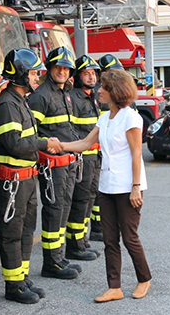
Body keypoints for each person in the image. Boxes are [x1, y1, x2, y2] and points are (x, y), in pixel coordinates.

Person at [61, 69, 152, 303]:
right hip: (107, 186)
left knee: (129, 237)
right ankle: (115, 287)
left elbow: (136, 154)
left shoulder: (131, 117)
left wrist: (135, 187)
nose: (99, 90)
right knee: (110, 240)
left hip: (128, 186)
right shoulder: (104, 118)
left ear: (116, 91)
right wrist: (57, 145)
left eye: (104, 87)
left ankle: (144, 279)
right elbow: (84, 144)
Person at [0, 48, 61, 304]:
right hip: (11, 182)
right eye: (33, 72)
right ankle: (13, 286)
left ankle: (22, 278)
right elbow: (15, 144)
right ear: (20, 74)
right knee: (11, 233)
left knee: (27, 230)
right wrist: (43, 144)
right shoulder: (7, 104)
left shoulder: (19, 101)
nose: (37, 76)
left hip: (24, 180)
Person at [29, 46, 82, 280]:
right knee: (54, 209)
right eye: (58, 67)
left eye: (66, 68)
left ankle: (59, 256)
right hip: (52, 166)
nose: (62, 71)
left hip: (67, 162)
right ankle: (51, 262)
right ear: (49, 68)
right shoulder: (41, 96)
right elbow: (32, 134)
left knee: (64, 208)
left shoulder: (64, 93)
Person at [67, 55, 103, 260]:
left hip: (94, 158)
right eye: (86, 73)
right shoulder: (74, 98)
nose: (91, 77)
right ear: (78, 76)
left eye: (93, 73)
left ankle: (83, 241)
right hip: (82, 159)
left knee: (89, 200)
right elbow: (71, 130)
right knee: (80, 202)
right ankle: (74, 245)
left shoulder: (92, 96)